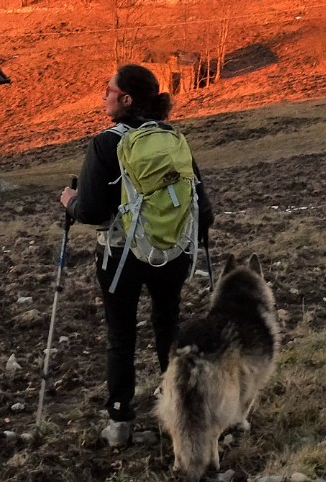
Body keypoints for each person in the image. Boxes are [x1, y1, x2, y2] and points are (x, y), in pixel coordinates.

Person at [59, 63, 213, 447]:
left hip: (119, 253)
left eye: (107, 89)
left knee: (121, 333)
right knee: (168, 323)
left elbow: (92, 211)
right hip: (171, 250)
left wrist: (70, 202)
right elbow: (201, 205)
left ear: (125, 98)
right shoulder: (172, 138)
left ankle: (120, 422)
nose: (103, 96)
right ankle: (177, 409)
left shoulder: (105, 143)